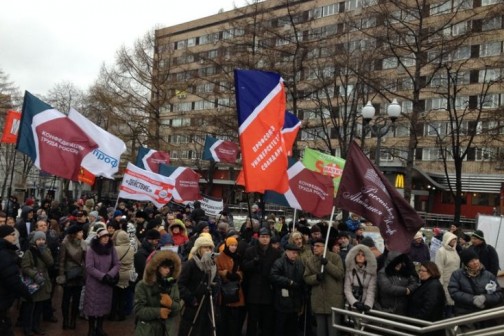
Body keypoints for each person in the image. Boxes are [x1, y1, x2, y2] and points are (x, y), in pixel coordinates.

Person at [448, 249, 503, 331]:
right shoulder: (457, 275)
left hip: (485, 314)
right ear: (466, 263)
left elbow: (498, 294)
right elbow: (453, 292)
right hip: (465, 314)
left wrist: (485, 298)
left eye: (476, 259)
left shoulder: (488, 275)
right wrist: (472, 299)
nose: (475, 262)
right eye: (471, 261)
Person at [242, 227, 281, 336]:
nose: (265, 239)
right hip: (253, 292)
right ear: (258, 238)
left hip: (268, 292)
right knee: (252, 322)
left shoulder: (275, 253)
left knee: (267, 323)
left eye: (267, 237)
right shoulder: (250, 251)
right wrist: (253, 262)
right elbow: (244, 267)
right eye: (263, 237)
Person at [178, 233, 218, 336]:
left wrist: (214, 292)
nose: (208, 250)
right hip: (193, 305)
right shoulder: (190, 264)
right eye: (205, 247)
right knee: (190, 330)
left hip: (207, 304)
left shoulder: (212, 265)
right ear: (199, 249)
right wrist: (191, 299)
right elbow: (180, 284)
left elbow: (217, 282)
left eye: (210, 247)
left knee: (207, 329)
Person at [134, 249, 181, 336]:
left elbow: (177, 308)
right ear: (156, 268)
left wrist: (171, 304)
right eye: (164, 267)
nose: (168, 271)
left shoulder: (172, 284)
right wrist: (158, 312)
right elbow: (138, 310)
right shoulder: (142, 285)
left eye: (170, 268)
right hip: (147, 331)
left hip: (167, 330)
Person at [304, 238, 345, 336]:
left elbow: (340, 274)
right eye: (314, 246)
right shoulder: (310, 261)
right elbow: (306, 278)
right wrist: (316, 278)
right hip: (318, 301)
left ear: (324, 247)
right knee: (320, 332)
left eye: (318, 246)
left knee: (333, 332)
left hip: (333, 301)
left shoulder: (335, 257)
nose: (315, 248)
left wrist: (327, 264)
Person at [84, 227, 120, 336]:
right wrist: (102, 276)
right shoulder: (91, 250)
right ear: (98, 238)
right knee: (92, 306)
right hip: (94, 283)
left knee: (103, 305)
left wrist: (109, 275)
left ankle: (99, 328)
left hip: (106, 283)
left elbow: (117, 264)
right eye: (104, 237)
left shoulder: (111, 249)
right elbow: (89, 267)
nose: (106, 239)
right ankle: (91, 329)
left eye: (107, 237)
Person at [21, 231, 54, 336]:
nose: (41, 241)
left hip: (43, 282)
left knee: (39, 307)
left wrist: (43, 251)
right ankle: (27, 328)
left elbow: (50, 262)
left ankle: (36, 326)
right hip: (33, 283)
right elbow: (25, 267)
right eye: (39, 239)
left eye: (43, 239)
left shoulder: (46, 250)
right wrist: (35, 275)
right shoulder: (29, 252)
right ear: (34, 240)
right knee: (29, 308)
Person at [0, 225, 31, 336]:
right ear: (4, 237)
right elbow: (12, 280)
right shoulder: (4, 254)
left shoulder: (6, 251)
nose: (14, 237)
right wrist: (26, 293)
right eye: (12, 235)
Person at [270, 243, 305, 335]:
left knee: (292, 326)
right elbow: (273, 276)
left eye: (296, 253)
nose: (295, 255)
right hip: (282, 299)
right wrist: (288, 282)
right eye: (293, 253)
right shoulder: (279, 262)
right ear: (287, 252)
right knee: (280, 325)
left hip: (295, 300)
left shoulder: (299, 263)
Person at [215, 236, 246, 336]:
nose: (233, 247)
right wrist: (226, 274)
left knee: (234, 319)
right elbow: (217, 271)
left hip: (236, 291)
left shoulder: (238, 257)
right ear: (227, 245)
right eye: (231, 245)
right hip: (224, 292)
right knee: (224, 318)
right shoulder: (220, 256)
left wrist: (238, 275)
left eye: (235, 245)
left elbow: (242, 271)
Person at [58, 224, 86, 329]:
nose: (82, 234)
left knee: (76, 299)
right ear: (74, 234)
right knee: (66, 299)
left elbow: (85, 259)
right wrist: (61, 276)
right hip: (68, 273)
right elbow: (61, 261)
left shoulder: (83, 243)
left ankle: (73, 320)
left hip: (79, 274)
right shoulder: (65, 243)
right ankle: (65, 320)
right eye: (80, 232)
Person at [407, 262, 445, 335]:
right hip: (426, 325)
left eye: (423, 271)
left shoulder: (433, 286)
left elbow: (429, 307)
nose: (420, 273)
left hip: (428, 327)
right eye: (419, 270)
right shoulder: (427, 283)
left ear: (431, 272)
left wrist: (416, 320)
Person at [109, 230, 135, 321]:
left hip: (117, 274)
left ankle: (112, 314)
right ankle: (122, 314)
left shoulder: (115, 249)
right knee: (123, 295)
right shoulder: (131, 248)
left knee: (114, 296)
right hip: (127, 274)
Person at [344, 244, 377, 314]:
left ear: (366, 257)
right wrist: (354, 302)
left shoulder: (371, 272)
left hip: (365, 303)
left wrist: (368, 304)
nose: (360, 256)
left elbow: (371, 290)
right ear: (354, 256)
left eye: (363, 255)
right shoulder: (349, 271)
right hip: (352, 303)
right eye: (358, 254)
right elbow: (347, 289)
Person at [434, 232, 460, 318]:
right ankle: (445, 322)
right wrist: (440, 283)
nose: (454, 241)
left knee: (453, 302)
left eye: (455, 239)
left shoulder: (454, 250)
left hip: (455, 281)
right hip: (446, 282)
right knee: (446, 303)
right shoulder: (441, 251)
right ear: (447, 239)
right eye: (452, 239)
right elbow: (439, 267)